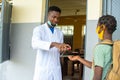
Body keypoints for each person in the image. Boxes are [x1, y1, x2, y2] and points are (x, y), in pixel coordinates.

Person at [68, 15, 117, 80]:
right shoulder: (113, 45)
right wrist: (78, 58)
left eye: (98, 25)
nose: (97, 28)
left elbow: (98, 74)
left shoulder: (100, 48)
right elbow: (95, 66)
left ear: (102, 27)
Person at [31, 6, 71, 80]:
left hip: (56, 69)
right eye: (53, 17)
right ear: (48, 16)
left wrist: (62, 50)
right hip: (43, 69)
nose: (56, 20)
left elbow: (59, 51)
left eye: (58, 18)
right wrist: (55, 44)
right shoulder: (39, 29)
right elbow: (35, 44)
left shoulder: (59, 33)